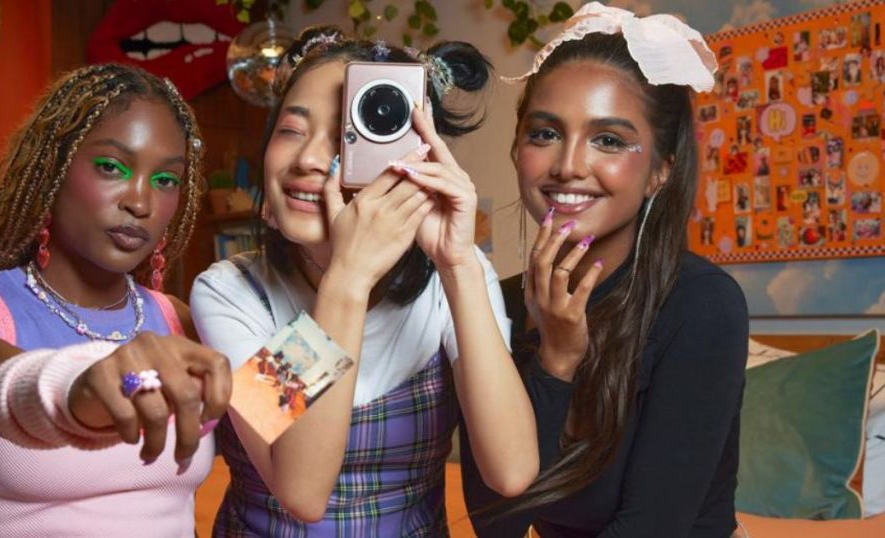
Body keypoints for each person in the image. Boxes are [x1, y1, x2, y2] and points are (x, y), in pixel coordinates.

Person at [190, 27, 538, 535]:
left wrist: (459, 264)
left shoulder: (452, 277)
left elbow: (511, 471)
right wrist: (348, 277)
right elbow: (302, 490)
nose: (308, 158)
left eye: (344, 137)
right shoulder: (234, 292)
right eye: (291, 129)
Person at [0, 64, 233, 537]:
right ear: (53, 170)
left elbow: (276, 414)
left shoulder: (179, 320)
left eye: (166, 179)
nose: (141, 202)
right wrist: (85, 383)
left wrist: (344, 286)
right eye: (112, 167)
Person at [460, 3, 749, 537]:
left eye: (609, 140)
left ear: (661, 168)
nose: (568, 165)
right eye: (544, 133)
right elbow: (496, 524)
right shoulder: (462, 299)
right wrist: (554, 361)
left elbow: (651, 526)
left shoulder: (701, 305)